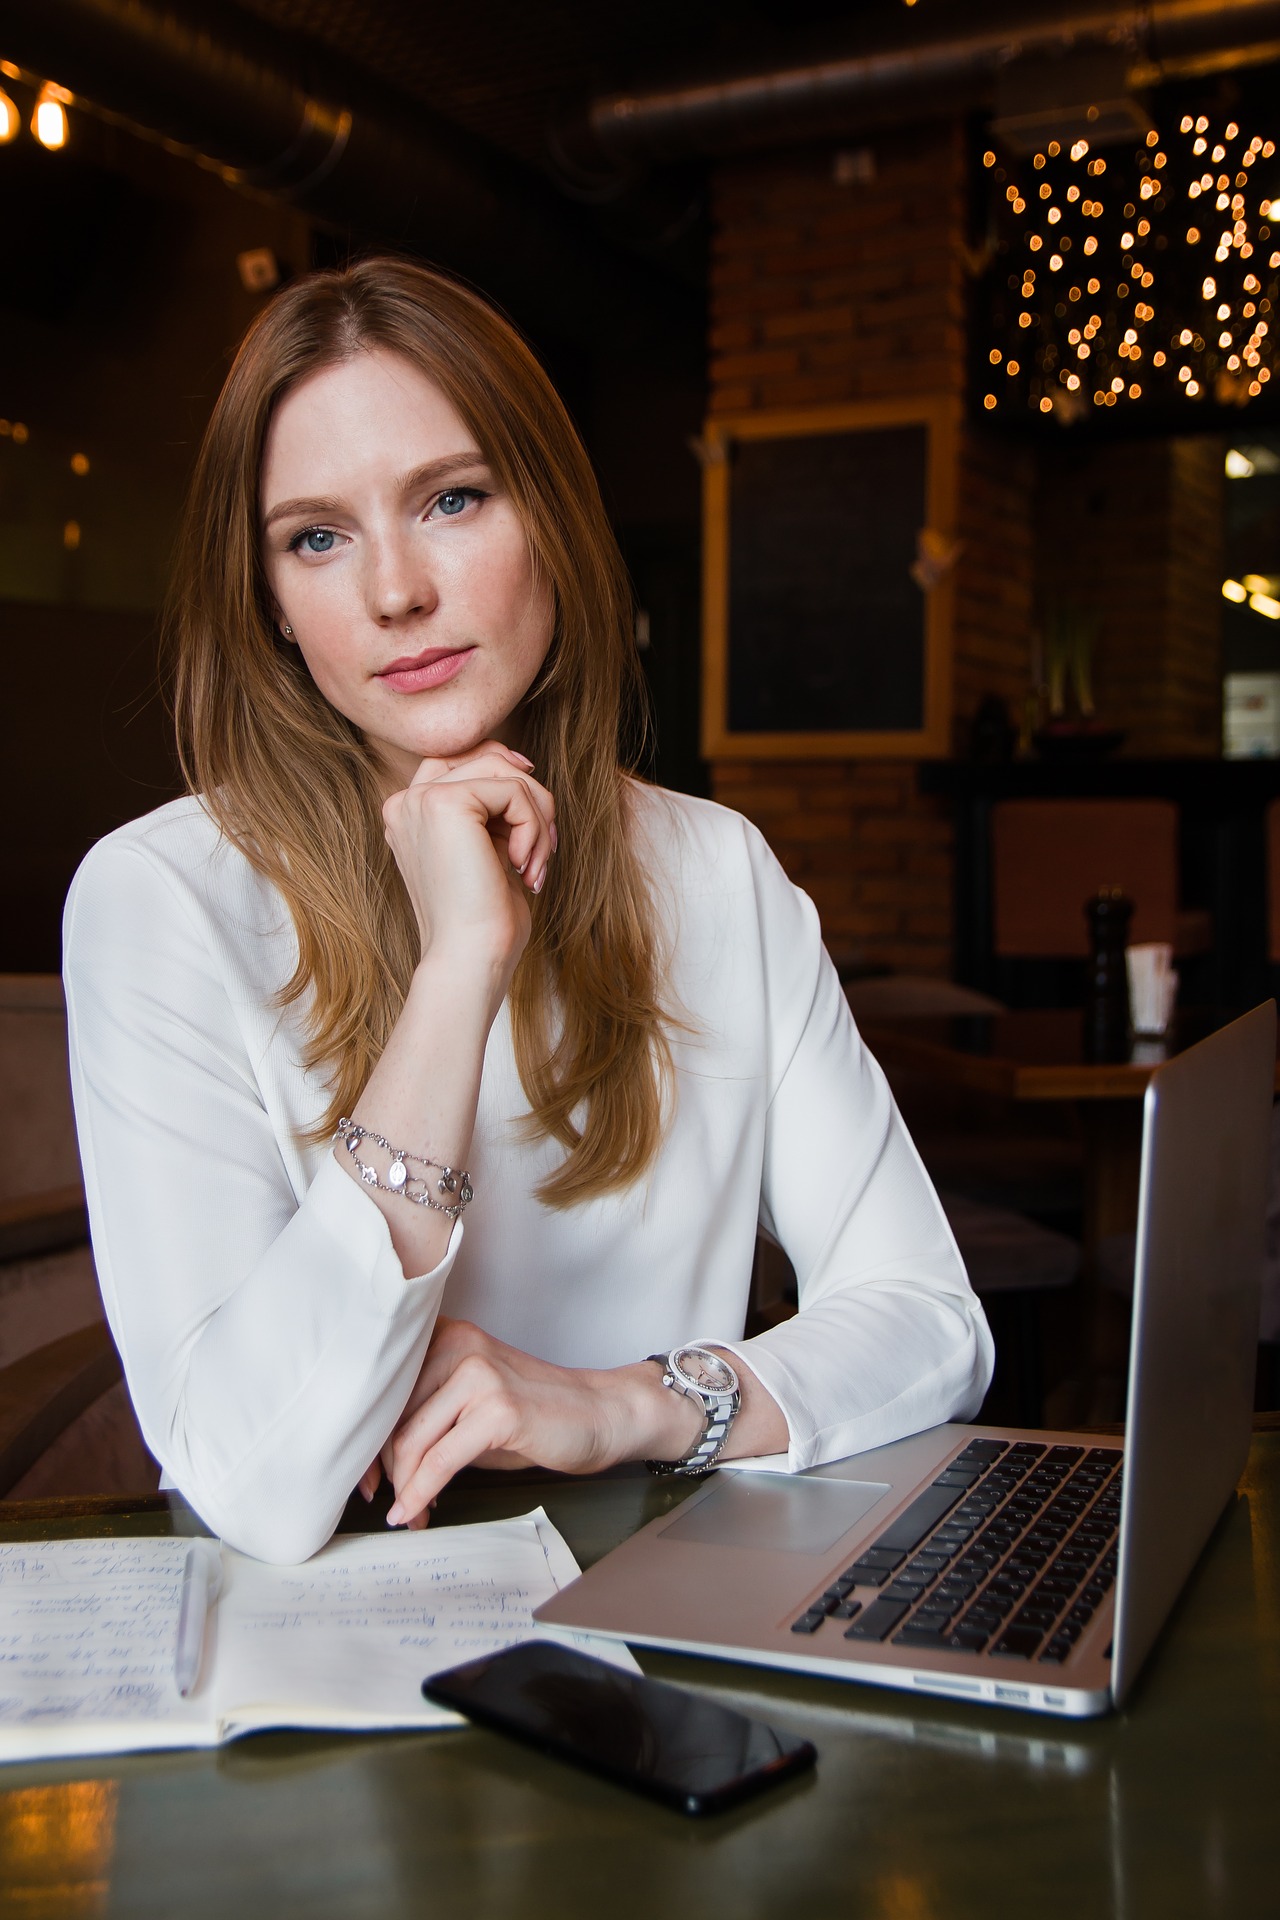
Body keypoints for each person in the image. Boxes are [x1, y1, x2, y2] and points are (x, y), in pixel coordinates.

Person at [63, 258, 993, 1563]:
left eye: (451, 498)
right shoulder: (160, 898)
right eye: (317, 536)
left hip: (666, 1611)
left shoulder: (716, 870)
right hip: (324, 1654)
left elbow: (932, 1324)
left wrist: (625, 1405)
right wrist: (459, 968)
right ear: (269, 599)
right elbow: (246, 1481)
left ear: (550, 514)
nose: (395, 591)